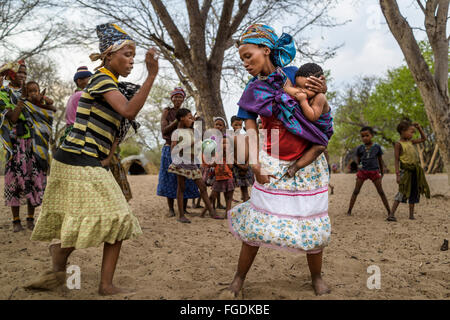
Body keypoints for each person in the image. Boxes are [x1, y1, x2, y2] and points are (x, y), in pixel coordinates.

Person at [28, 23, 159, 295]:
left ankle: (61, 263)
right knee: (119, 217)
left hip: (87, 160)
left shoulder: (114, 85)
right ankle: (104, 285)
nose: (132, 60)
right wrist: (151, 76)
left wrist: (107, 158)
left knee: (93, 217)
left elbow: (115, 128)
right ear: (108, 56)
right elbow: (129, 112)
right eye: (126, 54)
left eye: (133, 56)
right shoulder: (101, 79)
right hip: (75, 159)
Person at [224, 24, 331, 298]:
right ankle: (238, 279)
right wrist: (255, 163)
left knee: (310, 221)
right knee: (257, 220)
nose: (245, 63)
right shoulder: (252, 91)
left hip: (306, 165)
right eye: (241, 59)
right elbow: (250, 128)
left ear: (266, 50)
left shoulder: (295, 75)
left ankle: (316, 277)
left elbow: (319, 101)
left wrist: (323, 89)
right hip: (271, 161)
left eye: (249, 56)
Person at [0, 61, 53, 232]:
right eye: (19, 73)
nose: (23, 76)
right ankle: (16, 221)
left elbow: (49, 109)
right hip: (15, 145)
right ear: (10, 75)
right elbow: (13, 118)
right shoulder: (4, 94)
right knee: (14, 181)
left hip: (34, 144)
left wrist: (41, 100)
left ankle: (30, 219)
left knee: (34, 179)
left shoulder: (32, 92)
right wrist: (22, 99)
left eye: (25, 73)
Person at [282, 62, 333, 177]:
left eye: (306, 88)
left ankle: (296, 167)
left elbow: (312, 116)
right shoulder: (305, 93)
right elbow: (286, 88)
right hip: (309, 130)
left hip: (321, 131)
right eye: (298, 87)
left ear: (319, 83)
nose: (301, 91)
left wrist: (302, 101)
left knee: (319, 147)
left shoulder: (319, 97)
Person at [157, 87, 200, 217]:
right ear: (171, 98)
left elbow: (192, 128)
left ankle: (184, 208)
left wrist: (194, 121)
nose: (177, 99)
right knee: (170, 178)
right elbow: (164, 131)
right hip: (169, 147)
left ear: (183, 99)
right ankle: (171, 209)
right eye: (175, 96)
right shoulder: (167, 111)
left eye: (180, 97)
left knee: (186, 177)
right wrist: (178, 120)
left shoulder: (186, 113)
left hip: (186, 150)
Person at [168, 108, 216, 223]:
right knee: (181, 188)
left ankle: (212, 213)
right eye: (189, 118)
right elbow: (173, 149)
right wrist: (190, 144)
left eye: (192, 118)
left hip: (193, 163)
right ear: (181, 118)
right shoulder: (177, 132)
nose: (192, 120)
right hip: (181, 163)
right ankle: (181, 215)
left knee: (203, 187)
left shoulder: (193, 131)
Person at [387, 120, 430, 221]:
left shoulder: (411, 142)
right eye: (411, 132)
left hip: (415, 171)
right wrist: (397, 175)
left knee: (414, 192)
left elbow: (424, 138)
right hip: (405, 172)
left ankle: (411, 215)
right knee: (402, 192)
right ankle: (391, 214)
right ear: (402, 131)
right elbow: (397, 160)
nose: (412, 134)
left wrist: (419, 128)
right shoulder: (398, 144)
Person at [346, 127, 391, 216]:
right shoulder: (360, 148)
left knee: (381, 192)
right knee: (356, 191)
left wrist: (382, 172)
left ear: (372, 135)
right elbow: (358, 160)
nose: (365, 138)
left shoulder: (377, 147)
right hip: (363, 171)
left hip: (374, 171)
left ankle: (389, 211)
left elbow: (380, 160)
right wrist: (359, 170)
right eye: (362, 136)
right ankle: (349, 210)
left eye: (367, 135)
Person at [202, 136, 234, 218]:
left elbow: (231, 166)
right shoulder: (217, 154)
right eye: (222, 143)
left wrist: (226, 156)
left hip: (228, 178)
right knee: (212, 197)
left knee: (228, 198)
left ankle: (227, 214)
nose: (224, 145)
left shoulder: (230, 154)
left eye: (226, 143)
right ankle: (203, 212)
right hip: (218, 178)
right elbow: (213, 164)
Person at [59, 66, 93, 144]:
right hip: (79, 131)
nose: (91, 81)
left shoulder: (74, 96)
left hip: (71, 131)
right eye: (88, 79)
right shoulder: (83, 94)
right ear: (79, 81)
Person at [231, 115, 254, 202]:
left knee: (245, 188)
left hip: (246, 165)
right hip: (236, 166)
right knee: (232, 187)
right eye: (236, 125)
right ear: (231, 124)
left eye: (240, 125)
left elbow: (249, 151)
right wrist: (239, 165)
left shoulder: (245, 137)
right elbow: (230, 154)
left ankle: (245, 204)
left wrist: (247, 164)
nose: (238, 127)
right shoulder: (230, 137)